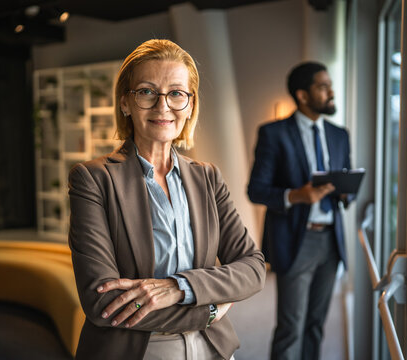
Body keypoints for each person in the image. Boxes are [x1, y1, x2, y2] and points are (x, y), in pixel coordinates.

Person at [68, 39, 266, 360]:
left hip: (213, 347)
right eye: (147, 92)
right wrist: (210, 310)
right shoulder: (93, 179)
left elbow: (253, 268)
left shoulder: (207, 177)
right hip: (140, 349)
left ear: (190, 105)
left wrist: (180, 287)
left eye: (176, 93)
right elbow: (102, 302)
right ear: (125, 103)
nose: (163, 106)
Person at [247, 61, 353, 360]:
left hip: (332, 241)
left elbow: (345, 187)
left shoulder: (339, 135)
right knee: (291, 327)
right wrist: (296, 196)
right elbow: (256, 190)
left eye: (330, 85)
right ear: (303, 95)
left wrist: (347, 192)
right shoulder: (273, 133)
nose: (331, 92)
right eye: (323, 86)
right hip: (296, 240)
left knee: (316, 325)